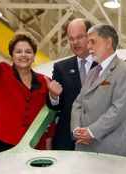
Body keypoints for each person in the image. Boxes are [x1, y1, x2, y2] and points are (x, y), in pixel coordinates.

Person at [0, 11, 61, 153]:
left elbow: (49, 116)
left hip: (32, 147)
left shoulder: (44, 81)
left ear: (34, 56)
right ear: (12, 55)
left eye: (28, 52)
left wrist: (54, 96)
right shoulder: (2, 72)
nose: (23, 55)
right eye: (19, 52)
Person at [70, 24, 126, 156]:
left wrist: (92, 132)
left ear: (108, 42)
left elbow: (118, 109)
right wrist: (77, 130)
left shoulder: (125, 70)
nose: (88, 47)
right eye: (88, 42)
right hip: (84, 145)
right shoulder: (93, 71)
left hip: (110, 149)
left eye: (92, 42)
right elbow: (78, 103)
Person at [47, 18, 96, 150]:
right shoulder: (60, 68)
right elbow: (54, 106)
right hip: (67, 141)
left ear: (91, 36)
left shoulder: (105, 65)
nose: (75, 42)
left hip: (97, 139)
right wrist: (53, 96)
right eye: (71, 38)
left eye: (80, 37)